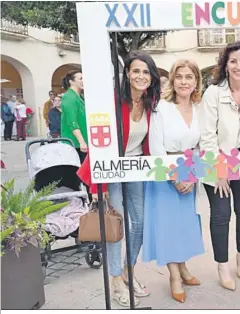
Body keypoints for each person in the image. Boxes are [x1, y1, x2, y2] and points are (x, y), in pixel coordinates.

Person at [77, 51, 161, 307]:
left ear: (152, 76)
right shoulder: (114, 101)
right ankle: (115, 279)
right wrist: (97, 185)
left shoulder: (151, 101)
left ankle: (128, 269)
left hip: (137, 169)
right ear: (127, 74)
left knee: (141, 223)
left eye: (146, 72)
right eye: (136, 71)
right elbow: (98, 142)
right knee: (115, 226)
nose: (141, 76)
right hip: (112, 170)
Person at [143, 59, 205, 303]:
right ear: (172, 80)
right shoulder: (161, 109)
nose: (184, 81)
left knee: (184, 225)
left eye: (189, 77)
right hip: (166, 174)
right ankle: (174, 277)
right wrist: (173, 177)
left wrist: (193, 174)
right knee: (168, 227)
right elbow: (156, 147)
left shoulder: (200, 109)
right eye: (179, 77)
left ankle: (184, 267)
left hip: (190, 170)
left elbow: (201, 146)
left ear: (196, 81)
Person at [199, 41, 240, 291]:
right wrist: (219, 170)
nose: (238, 66)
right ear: (225, 66)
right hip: (218, 160)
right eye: (233, 61)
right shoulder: (213, 93)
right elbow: (207, 135)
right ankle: (222, 266)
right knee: (221, 214)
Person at [61, 69, 88, 162]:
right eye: (80, 78)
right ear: (71, 82)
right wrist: (82, 142)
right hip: (75, 143)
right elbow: (72, 122)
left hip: (82, 141)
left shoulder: (80, 96)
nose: (83, 81)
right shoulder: (69, 97)